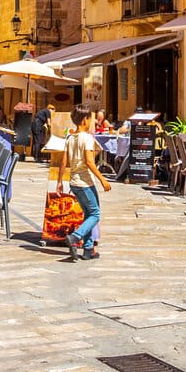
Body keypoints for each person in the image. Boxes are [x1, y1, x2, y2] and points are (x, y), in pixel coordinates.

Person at [64, 108, 112, 261]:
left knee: (88, 214)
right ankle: (75, 237)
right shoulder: (87, 138)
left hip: (74, 182)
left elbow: (64, 162)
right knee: (96, 214)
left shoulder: (70, 138)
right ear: (84, 120)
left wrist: (60, 181)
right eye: (90, 119)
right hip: (85, 182)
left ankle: (88, 249)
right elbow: (90, 162)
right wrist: (102, 179)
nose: (92, 122)